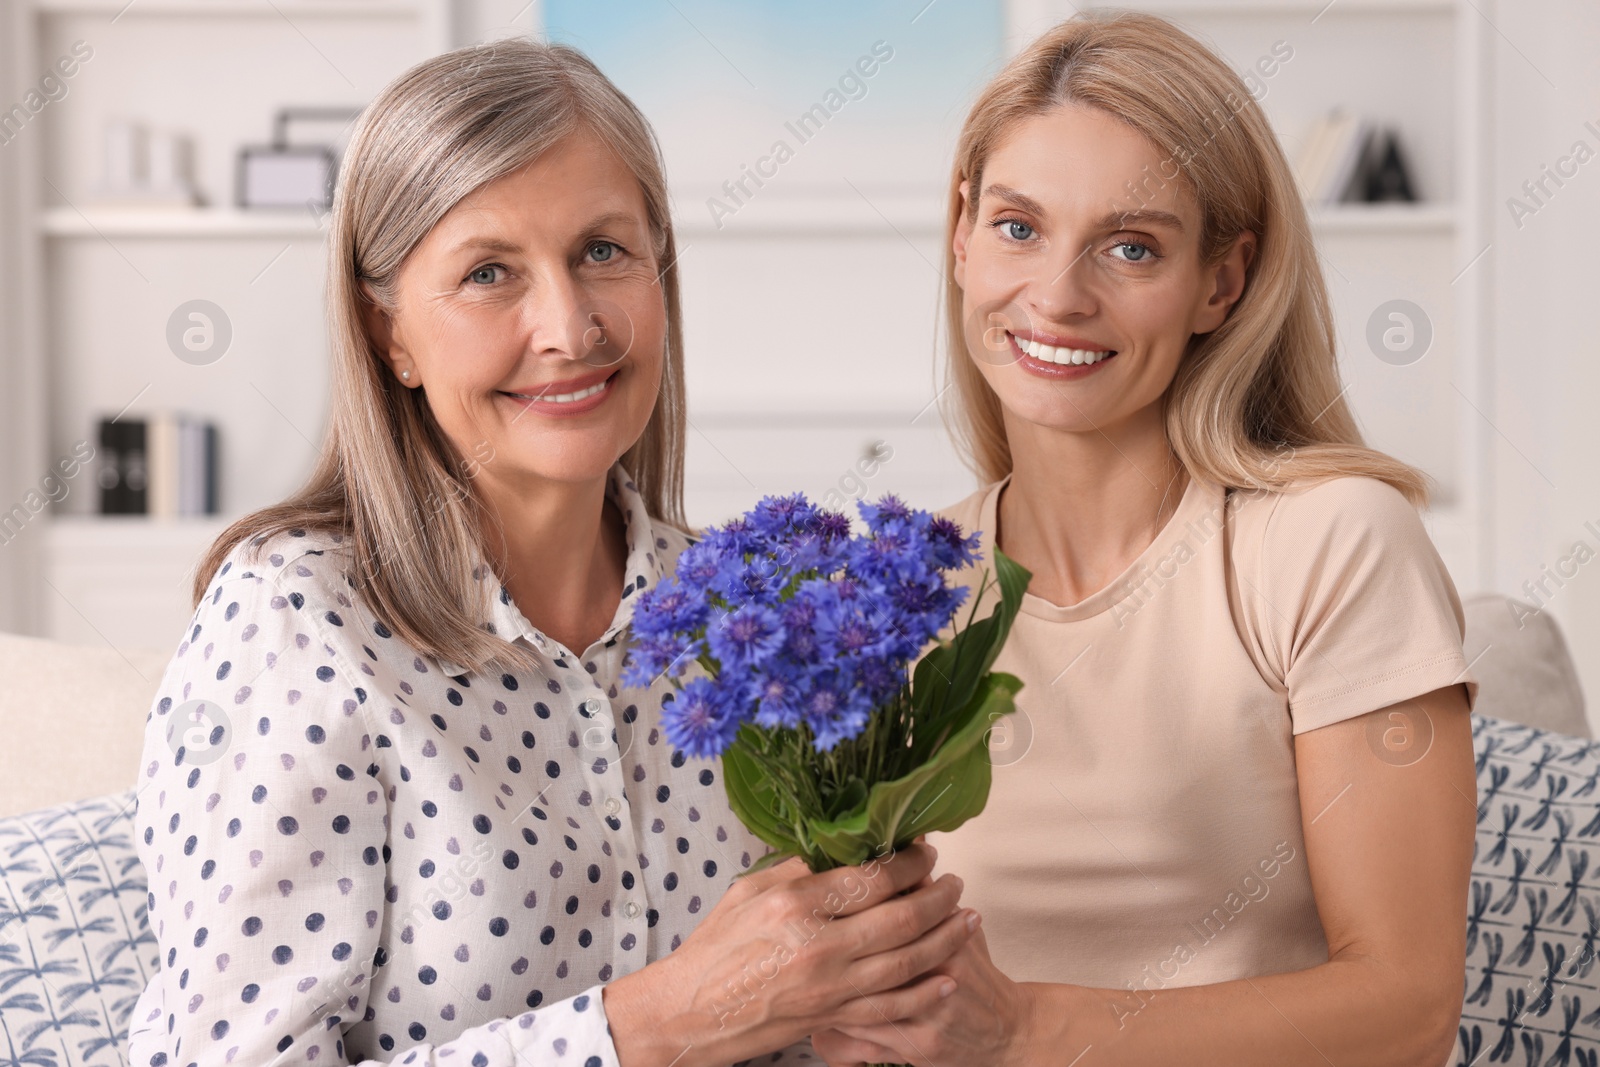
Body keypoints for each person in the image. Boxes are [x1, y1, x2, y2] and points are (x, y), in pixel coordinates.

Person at [125, 37, 977, 1067]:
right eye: (489, 272)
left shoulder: (739, 618)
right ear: (387, 331)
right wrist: (657, 1022)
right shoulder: (295, 624)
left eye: (603, 252)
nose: (568, 327)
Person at [810, 11, 1478, 1067]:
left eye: (1129, 246)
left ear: (1222, 280)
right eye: (1019, 227)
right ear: (959, 233)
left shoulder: (1330, 544)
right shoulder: (897, 586)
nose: (1059, 295)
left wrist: (1025, 1028)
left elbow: (1405, 1008)